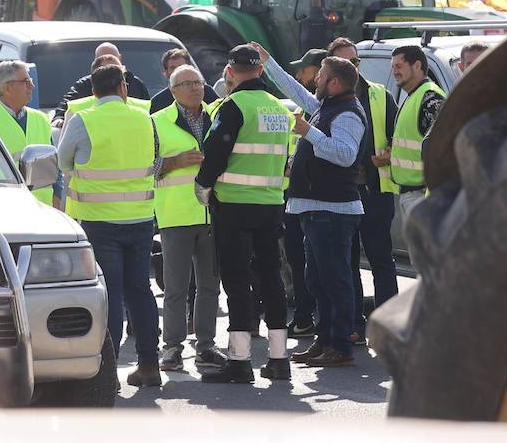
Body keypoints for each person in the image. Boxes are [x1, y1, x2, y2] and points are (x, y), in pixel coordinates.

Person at [58, 64, 163, 388]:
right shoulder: (144, 118)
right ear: (123, 88)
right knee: (141, 291)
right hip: (142, 218)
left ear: (93, 92)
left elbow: (63, 162)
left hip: (100, 221)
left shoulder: (83, 120)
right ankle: (149, 365)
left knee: (111, 294)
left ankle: (109, 373)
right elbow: (157, 160)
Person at [195, 45, 294, 383]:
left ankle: (239, 361)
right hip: (270, 204)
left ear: (231, 72)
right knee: (271, 278)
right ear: (260, 71)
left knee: (237, 281)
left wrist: (203, 186)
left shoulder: (233, 106)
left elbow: (216, 151)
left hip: (235, 205)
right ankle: (279, 359)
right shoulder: (280, 109)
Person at [261, 47, 366, 368]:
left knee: (335, 280)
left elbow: (345, 154)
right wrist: (269, 62)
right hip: (315, 209)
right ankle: (325, 340)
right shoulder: (327, 105)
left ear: (334, 83)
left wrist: (309, 132)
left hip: (333, 211)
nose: (313, 81)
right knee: (317, 280)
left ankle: (342, 345)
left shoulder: (347, 112)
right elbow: (294, 91)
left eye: (319, 76)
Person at [323, 37, 399, 346]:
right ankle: (352, 324)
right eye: (344, 63)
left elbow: (399, 134)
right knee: (347, 262)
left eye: (355, 62)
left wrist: (389, 151)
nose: (352, 67)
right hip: (343, 194)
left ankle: (390, 325)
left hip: (376, 190)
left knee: (382, 260)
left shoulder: (380, 95)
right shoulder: (325, 101)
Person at [151, 64, 225, 373]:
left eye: (198, 82)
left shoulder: (219, 115)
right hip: (176, 215)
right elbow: (143, 168)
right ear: (172, 91)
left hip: (212, 213)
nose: (195, 88)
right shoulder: (156, 122)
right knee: (176, 287)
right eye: (187, 84)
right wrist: (173, 162)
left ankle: (206, 346)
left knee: (210, 286)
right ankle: (172, 348)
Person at [0, 60, 62, 208]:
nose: (32, 86)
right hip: (2, 208)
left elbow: (55, 167)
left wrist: (57, 198)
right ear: (7, 88)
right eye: (26, 82)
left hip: (42, 208)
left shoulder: (41, 118)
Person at [386, 45, 447, 223]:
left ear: (417, 65)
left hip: (422, 195)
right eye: (393, 67)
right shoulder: (416, 95)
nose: (394, 72)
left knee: (426, 251)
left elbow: (442, 150)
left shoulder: (430, 98)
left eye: (399, 66)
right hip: (414, 194)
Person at [51, 42, 150, 126]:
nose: (109, 71)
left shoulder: (135, 84)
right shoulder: (85, 85)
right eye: (104, 66)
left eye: (112, 61)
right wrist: (59, 117)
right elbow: (66, 105)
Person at [149, 48, 220, 113]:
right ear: (165, 73)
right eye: (173, 68)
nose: (177, 70)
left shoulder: (207, 92)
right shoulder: (158, 102)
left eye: (181, 67)